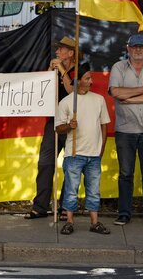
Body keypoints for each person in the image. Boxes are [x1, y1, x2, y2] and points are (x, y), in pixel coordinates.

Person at [109, 34, 143, 228]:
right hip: (126, 129)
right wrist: (142, 91)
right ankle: (124, 213)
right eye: (135, 47)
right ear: (128, 48)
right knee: (126, 173)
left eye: (141, 47)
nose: (138, 50)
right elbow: (115, 92)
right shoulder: (118, 67)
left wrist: (129, 97)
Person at [25, 36, 78, 220]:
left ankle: (66, 207)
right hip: (53, 122)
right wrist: (50, 72)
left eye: (61, 50)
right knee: (45, 163)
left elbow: (73, 92)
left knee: (71, 165)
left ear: (70, 53)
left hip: (72, 123)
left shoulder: (79, 70)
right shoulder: (54, 71)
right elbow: (44, 92)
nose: (57, 52)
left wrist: (63, 71)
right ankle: (40, 206)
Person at [56, 68, 111, 235]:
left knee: (94, 191)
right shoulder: (66, 102)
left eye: (90, 79)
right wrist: (69, 126)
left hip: (94, 155)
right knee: (71, 190)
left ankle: (94, 222)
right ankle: (69, 221)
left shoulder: (99, 100)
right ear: (78, 80)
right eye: (87, 78)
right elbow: (58, 129)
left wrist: (101, 149)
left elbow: (104, 125)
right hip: (74, 155)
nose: (91, 81)